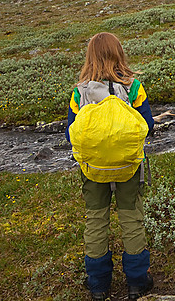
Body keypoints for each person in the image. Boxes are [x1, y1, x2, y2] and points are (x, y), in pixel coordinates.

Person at [66, 32, 155, 301]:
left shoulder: (79, 92)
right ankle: (137, 283)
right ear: (119, 53)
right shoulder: (134, 87)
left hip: (92, 169)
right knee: (131, 218)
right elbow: (148, 126)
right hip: (128, 165)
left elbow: (71, 131)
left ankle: (98, 285)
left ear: (89, 56)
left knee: (96, 220)